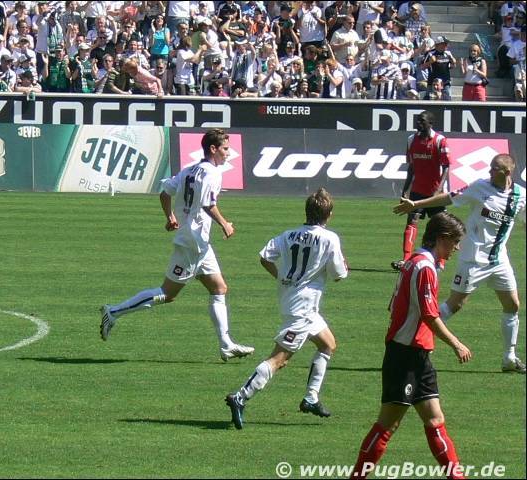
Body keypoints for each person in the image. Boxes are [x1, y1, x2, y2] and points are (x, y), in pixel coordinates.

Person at [100, 129, 255, 362]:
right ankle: (113, 312)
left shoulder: (189, 169)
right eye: (225, 149)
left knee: (219, 288)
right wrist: (225, 223)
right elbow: (208, 204)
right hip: (193, 241)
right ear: (213, 149)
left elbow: (165, 193)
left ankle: (226, 345)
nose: (228, 153)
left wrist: (170, 217)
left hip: (197, 240)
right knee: (167, 293)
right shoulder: (212, 172)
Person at [350, 212, 471, 480]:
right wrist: (456, 343)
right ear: (442, 238)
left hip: (417, 355)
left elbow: (395, 306)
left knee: (435, 420)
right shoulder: (424, 267)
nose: (457, 248)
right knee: (387, 424)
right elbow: (429, 315)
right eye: (455, 242)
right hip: (405, 356)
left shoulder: (414, 262)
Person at [225, 188, 348, 430]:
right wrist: (344, 266)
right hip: (302, 309)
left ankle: (311, 398)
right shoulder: (329, 238)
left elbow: (265, 257)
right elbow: (338, 275)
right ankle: (240, 397)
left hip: (295, 303)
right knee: (279, 359)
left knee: (328, 344)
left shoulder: (288, 234)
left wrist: (282, 277)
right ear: (329, 214)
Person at [393, 154, 526, 373]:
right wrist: (415, 204)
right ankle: (416, 343)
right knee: (455, 305)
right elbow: (449, 197)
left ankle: (509, 358)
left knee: (512, 305)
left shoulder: (521, 195)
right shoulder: (480, 187)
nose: (490, 172)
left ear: (507, 172)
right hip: (472, 259)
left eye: (494, 169)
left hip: (499, 260)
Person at [391, 111, 450, 272]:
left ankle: (441, 261)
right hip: (417, 191)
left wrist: (439, 190)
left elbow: (446, 167)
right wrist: (405, 191)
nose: (418, 123)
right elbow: (411, 167)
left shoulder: (440, 141)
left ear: (430, 123)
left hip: (435, 193)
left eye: (422, 121)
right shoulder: (411, 140)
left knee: (440, 226)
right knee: (411, 222)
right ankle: (406, 259)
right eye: (418, 121)